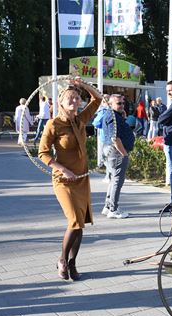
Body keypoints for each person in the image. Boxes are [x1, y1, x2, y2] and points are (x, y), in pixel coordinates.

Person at [38, 78, 102, 281]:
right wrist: (62, 169)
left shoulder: (81, 120)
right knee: (74, 220)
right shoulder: (53, 124)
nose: (74, 101)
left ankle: (73, 264)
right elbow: (43, 153)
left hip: (82, 179)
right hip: (64, 181)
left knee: (80, 224)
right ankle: (63, 260)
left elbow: (98, 98)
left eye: (76, 98)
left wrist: (82, 85)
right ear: (61, 103)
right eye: (69, 98)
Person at [101, 94, 135, 219]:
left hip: (114, 150)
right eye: (118, 103)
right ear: (110, 104)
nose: (122, 105)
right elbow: (115, 138)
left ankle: (108, 206)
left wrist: (123, 117)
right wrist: (124, 154)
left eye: (123, 103)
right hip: (117, 151)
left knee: (113, 179)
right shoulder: (112, 117)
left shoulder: (115, 116)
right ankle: (113, 209)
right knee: (117, 181)